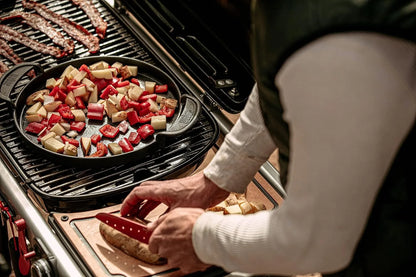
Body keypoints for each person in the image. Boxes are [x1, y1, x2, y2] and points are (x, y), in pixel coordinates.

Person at [121, 1, 416, 276]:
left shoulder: (341, 45)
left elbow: (318, 239)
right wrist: (216, 179)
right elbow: (280, 78)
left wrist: (202, 238)